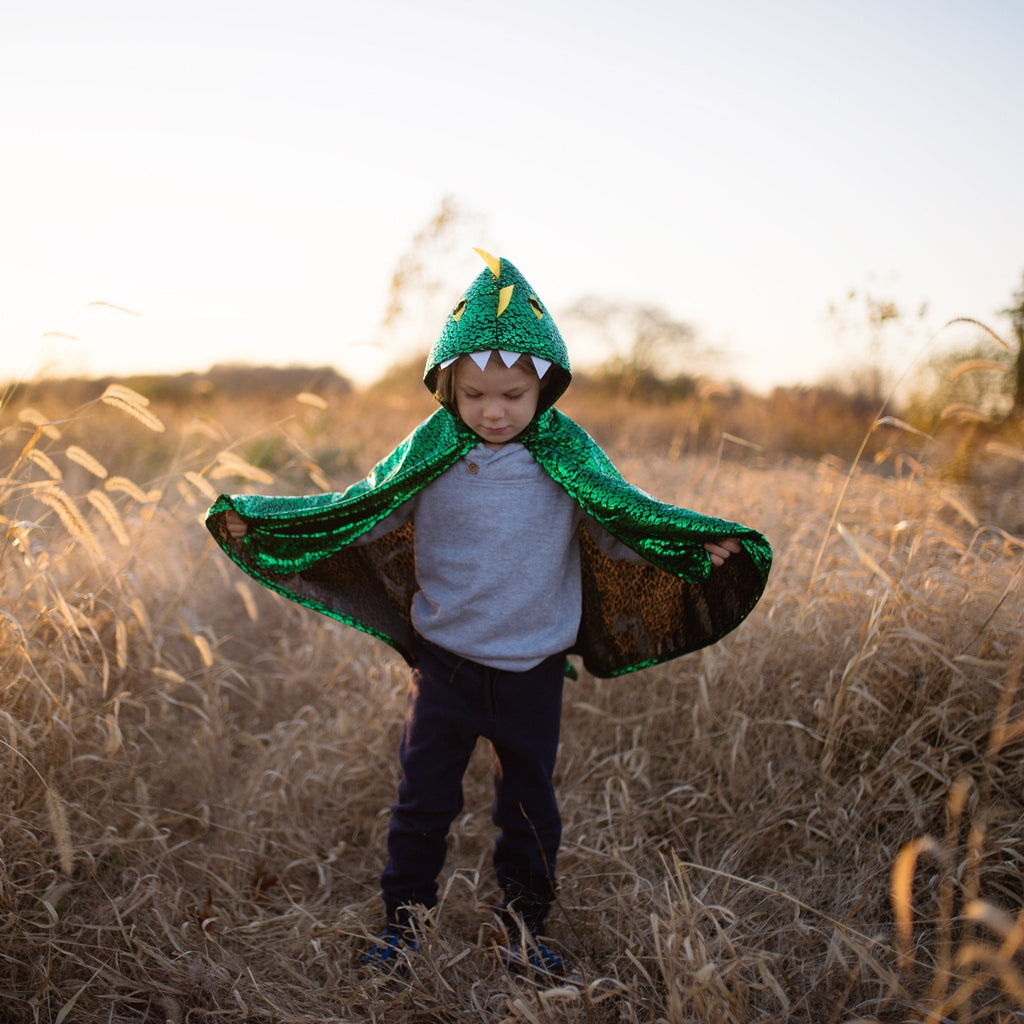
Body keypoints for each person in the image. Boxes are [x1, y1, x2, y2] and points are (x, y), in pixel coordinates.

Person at [207, 249, 771, 978]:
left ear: (545, 387)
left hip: (532, 668)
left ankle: (525, 932)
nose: (492, 411)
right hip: (445, 665)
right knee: (422, 805)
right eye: (473, 395)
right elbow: (357, 507)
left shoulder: (566, 453)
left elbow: (631, 515)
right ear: (447, 389)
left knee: (529, 812)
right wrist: (272, 524)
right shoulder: (431, 450)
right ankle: (402, 928)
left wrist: (701, 546)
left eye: (510, 394)